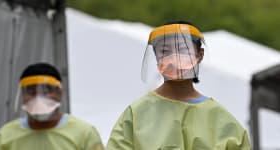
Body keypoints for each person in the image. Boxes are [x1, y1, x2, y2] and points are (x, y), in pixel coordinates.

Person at [106, 20, 251, 150]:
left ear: (200, 54)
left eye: (182, 49)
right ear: (156, 57)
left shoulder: (224, 122)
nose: (174, 58)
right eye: (165, 51)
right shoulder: (136, 114)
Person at [0, 63, 104, 150]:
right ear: (22, 95)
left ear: (60, 93)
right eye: (31, 90)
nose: (38, 97)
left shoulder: (84, 134)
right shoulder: (5, 136)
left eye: (46, 90)